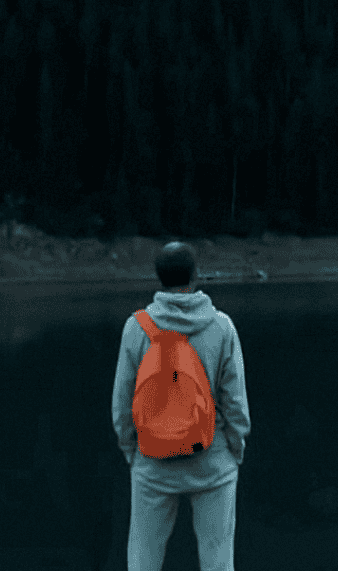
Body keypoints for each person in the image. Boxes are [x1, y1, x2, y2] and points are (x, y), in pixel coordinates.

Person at [111, 240, 251, 571]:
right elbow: (236, 402)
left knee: (144, 559)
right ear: (196, 275)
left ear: (159, 278)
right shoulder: (221, 325)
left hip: (153, 461)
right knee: (218, 560)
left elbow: (122, 404)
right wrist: (234, 450)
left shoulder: (137, 327)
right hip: (212, 459)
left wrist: (134, 453)